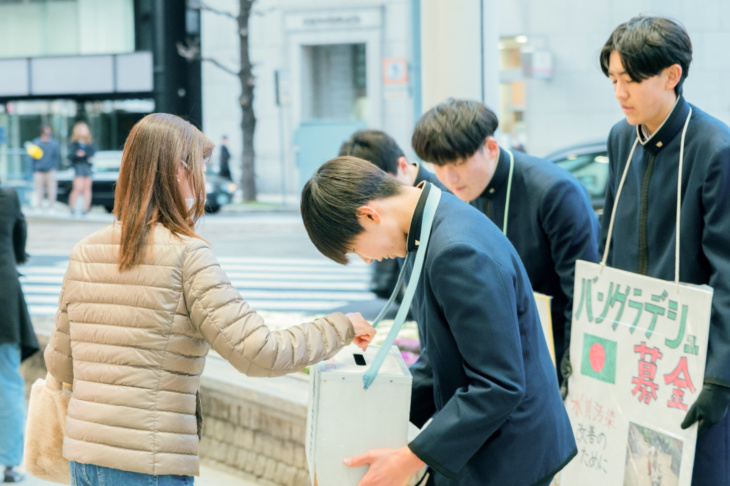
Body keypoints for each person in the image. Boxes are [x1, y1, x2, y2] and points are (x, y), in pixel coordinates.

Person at [43, 113, 375, 486]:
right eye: (201, 165)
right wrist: (341, 326)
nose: (203, 176)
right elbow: (259, 351)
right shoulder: (187, 255)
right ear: (179, 170)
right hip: (150, 465)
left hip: (85, 462)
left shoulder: (85, 251)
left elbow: (60, 363)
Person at [300, 156, 576, 486]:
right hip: (492, 437)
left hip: (509, 451)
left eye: (357, 248)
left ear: (369, 216)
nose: (369, 258)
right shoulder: (433, 220)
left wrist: (405, 460)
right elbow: (441, 357)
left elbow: (499, 386)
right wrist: (375, 412)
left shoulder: (455, 250)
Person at [598, 16, 730, 485]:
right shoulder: (620, 139)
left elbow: (728, 275)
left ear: (672, 76)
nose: (620, 92)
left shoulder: (714, 147)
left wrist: (720, 377)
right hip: (633, 350)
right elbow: (606, 244)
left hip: (693, 361)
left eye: (631, 79)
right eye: (614, 79)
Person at [411, 98, 600, 395]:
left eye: (458, 163)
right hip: (499, 364)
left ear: (491, 148)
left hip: (556, 358)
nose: (449, 178)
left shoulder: (554, 192)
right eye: (438, 166)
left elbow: (583, 298)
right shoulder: (457, 191)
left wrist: (570, 377)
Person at [338, 129, 446, 301]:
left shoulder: (442, 200)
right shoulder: (397, 216)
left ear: (403, 166)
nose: (375, 203)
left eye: (380, 188)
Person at [0, 183, 39, 483]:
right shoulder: (8, 195)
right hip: (4, 295)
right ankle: (11, 463)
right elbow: (19, 236)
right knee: (8, 381)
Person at [67, 121, 96, 216]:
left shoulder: (90, 143)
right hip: (78, 168)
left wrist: (82, 154)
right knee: (78, 188)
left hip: (87, 168)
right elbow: (73, 155)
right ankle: (72, 208)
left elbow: (91, 154)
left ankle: (86, 209)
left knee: (87, 188)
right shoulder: (74, 143)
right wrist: (82, 155)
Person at [30, 124, 61, 212]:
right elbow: (32, 157)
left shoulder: (54, 143)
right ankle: (39, 206)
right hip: (39, 170)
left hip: (50, 170)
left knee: (52, 189)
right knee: (39, 189)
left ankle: (51, 207)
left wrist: (54, 168)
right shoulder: (36, 142)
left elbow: (56, 157)